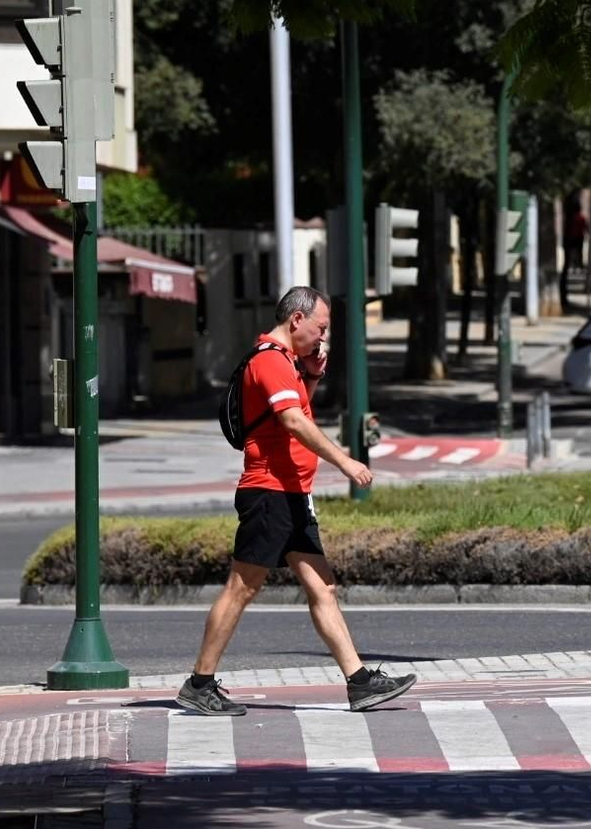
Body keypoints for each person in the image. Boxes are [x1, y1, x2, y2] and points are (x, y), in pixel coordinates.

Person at [177, 286, 417, 715]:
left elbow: (294, 411)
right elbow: (291, 422)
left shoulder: (286, 363)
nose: (322, 338)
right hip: (268, 492)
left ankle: (360, 682)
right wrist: (345, 461)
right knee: (241, 588)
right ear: (296, 321)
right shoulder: (269, 360)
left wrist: (311, 376)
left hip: (292, 495)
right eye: (320, 329)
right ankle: (199, 683)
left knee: (322, 586)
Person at [561, 201, 589, 312]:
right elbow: (586, 227)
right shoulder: (581, 217)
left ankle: (574, 266)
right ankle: (579, 265)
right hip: (579, 238)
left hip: (572, 238)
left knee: (573, 254)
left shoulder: (573, 218)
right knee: (579, 253)